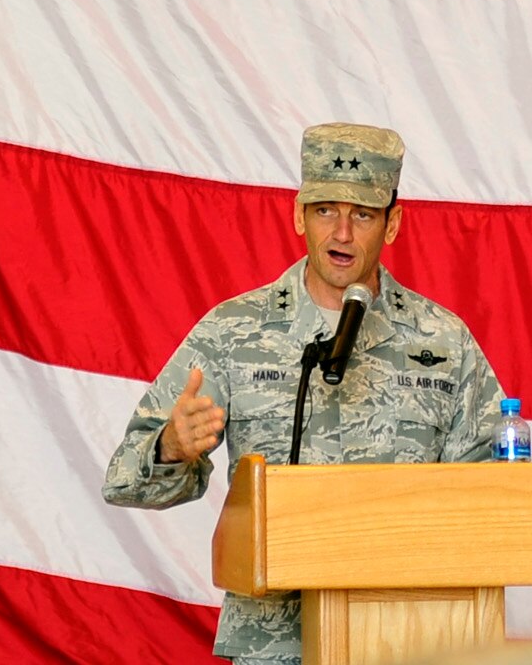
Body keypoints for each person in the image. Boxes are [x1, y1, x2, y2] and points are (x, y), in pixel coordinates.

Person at [103, 122, 506, 661]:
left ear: (392, 224)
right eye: (324, 210)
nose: (341, 232)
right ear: (298, 214)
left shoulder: (443, 341)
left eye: (362, 214)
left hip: (407, 640)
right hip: (274, 648)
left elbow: (495, 498)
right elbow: (124, 480)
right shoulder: (234, 332)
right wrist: (170, 448)